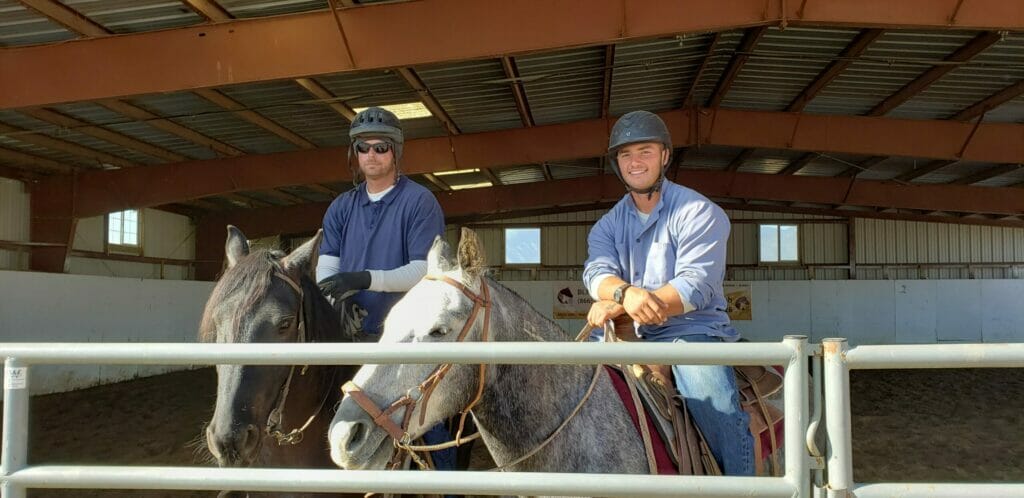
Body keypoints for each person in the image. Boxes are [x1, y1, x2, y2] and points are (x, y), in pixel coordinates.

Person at [581, 110, 754, 476]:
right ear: (617, 164)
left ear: (665, 156)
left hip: (688, 330)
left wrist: (629, 302)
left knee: (718, 406)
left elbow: (696, 285)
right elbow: (597, 271)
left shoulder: (698, 211)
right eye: (625, 155)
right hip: (621, 332)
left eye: (644, 151)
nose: (635, 162)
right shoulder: (607, 225)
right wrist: (624, 295)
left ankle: (740, 486)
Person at [315, 106, 455, 469]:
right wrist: (332, 301)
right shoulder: (341, 207)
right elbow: (327, 271)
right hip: (349, 336)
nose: (372, 155)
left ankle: (448, 489)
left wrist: (363, 279)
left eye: (381, 147)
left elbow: (424, 269)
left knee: (430, 428)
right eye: (364, 148)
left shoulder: (419, 201)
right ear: (354, 153)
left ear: (395, 152)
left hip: (406, 339)